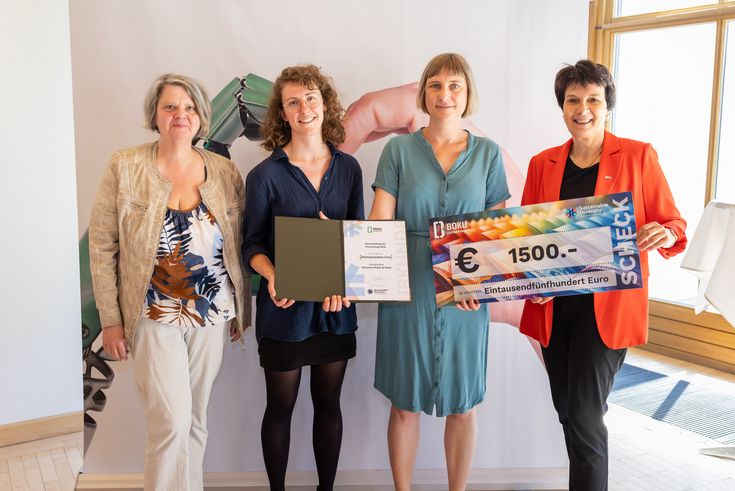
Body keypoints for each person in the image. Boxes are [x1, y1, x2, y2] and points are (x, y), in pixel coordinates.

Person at [520, 60, 687, 490]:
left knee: (585, 415)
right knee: (567, 412)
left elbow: (674, 224)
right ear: (562, 107)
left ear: (607, 106)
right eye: (573, 100)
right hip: (555, 308)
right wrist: (530, 282)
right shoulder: (542, 164)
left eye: (593, 99)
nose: (583, 109)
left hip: (607, 309)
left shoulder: (637, 155)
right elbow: (526, 241)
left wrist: (665, 231)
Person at [89, 73, 250, 490]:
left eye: (190, 107)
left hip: (212, 312)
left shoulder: (224, 171)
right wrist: (110, 319)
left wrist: (241, 309)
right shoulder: (126, 166)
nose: (181, 114)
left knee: (195, 421)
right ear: (155, 115)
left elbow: (240, 242)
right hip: (152, 312)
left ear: (201, 117)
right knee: (170, 422)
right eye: (171, 106)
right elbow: (102, 246)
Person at [368, 53, 510, 491]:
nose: (444, 94)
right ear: (423, 93)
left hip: (467, 289)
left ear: (467, 94)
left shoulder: (488, 154)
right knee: (403, 404)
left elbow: (497, 230)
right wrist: (348, 248)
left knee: (463, 405)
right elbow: (380, 218)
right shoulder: (397, 150)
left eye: (454, 86)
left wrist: (480, 284)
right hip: (407, 283)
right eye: (435, 85)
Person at [241, 65, 364, 491]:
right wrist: (274, 275)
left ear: (325, 104)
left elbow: (359, 239)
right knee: (280, 407)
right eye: (293, 102)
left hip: (335, 310)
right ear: (283, 113)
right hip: (285, 309)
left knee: (329, 404)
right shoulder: (264, 175)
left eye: (311, 97)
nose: (304, 108)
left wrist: (345, 275)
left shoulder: (349, 169)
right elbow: (251, 246)